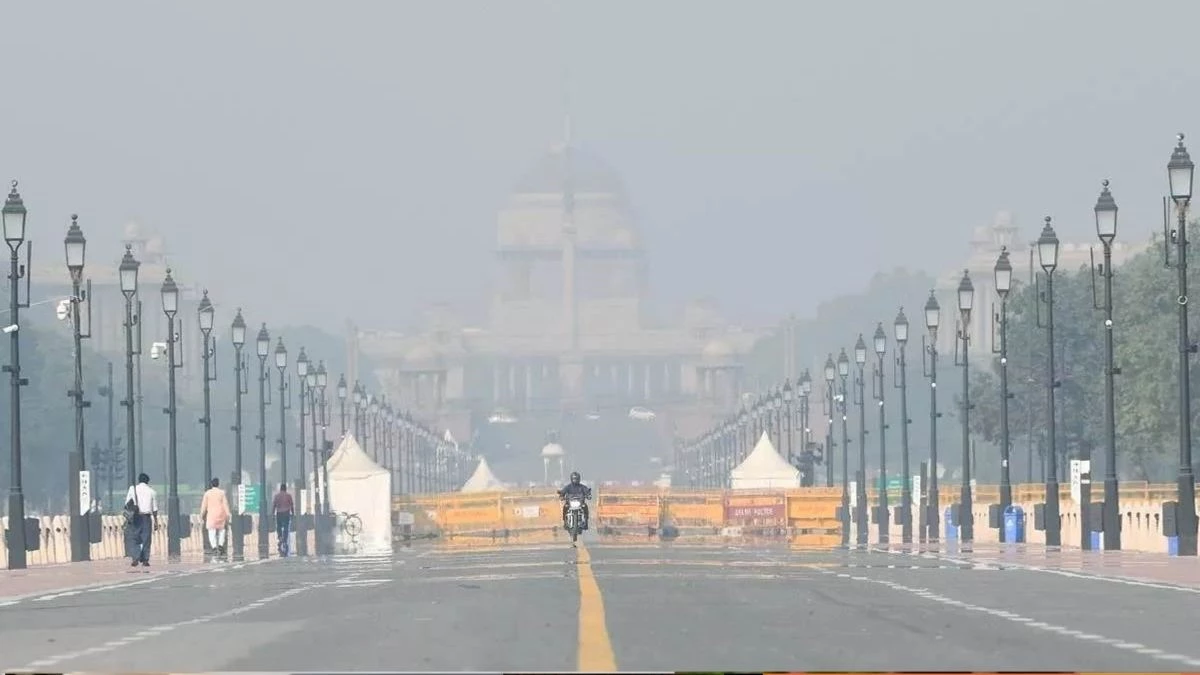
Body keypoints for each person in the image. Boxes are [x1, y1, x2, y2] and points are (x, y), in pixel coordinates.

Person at [124, 473, 158, 567]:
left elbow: (127, 503)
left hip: (135, 517)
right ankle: (145, 559)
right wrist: (156, 521)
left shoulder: (132, 489)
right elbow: (154, 509)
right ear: (147, 481)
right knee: (146, 539)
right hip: (146, 517)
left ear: (139, 480)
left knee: (134, 538)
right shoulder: (152, 491)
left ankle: (135, 558)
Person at [199, 477, 231, 561]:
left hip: (211, 515)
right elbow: (225, 504)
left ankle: (214, 548)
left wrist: (201, 515)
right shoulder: (222, 493)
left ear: (211, 484)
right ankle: (220, 546)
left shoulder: (207, 493)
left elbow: (204, 506)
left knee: (211, 532)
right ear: (218, 484)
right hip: (221, 514)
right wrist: (228, 514)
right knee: (222, 531)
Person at [272, 483, 294, 556]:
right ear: (285, 489)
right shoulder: (288, 496)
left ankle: (280, 537)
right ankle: (284, 539)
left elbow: (274, 505)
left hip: (279, 513)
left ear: (280, 489)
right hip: (286, 513)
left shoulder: (277, 496)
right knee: (286, 527)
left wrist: (272, 513)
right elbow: (291, 505)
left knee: (278, 526)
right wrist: (293, 513)